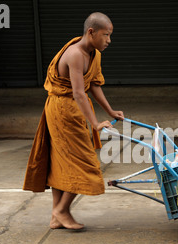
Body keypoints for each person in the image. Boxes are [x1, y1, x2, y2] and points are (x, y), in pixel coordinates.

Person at [23, 12, 124, 230]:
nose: (109, 40)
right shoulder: (76, 54)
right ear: (91, 32)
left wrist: (110, 110)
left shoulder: (93, 53)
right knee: (84, 162)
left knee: (62, 164)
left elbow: (94, 84)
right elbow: (79, 93)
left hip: (74, 110)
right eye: (106, 35)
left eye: (110, 35)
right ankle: (61, 210)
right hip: (62, 110)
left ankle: (56, 216)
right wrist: (96, 123)